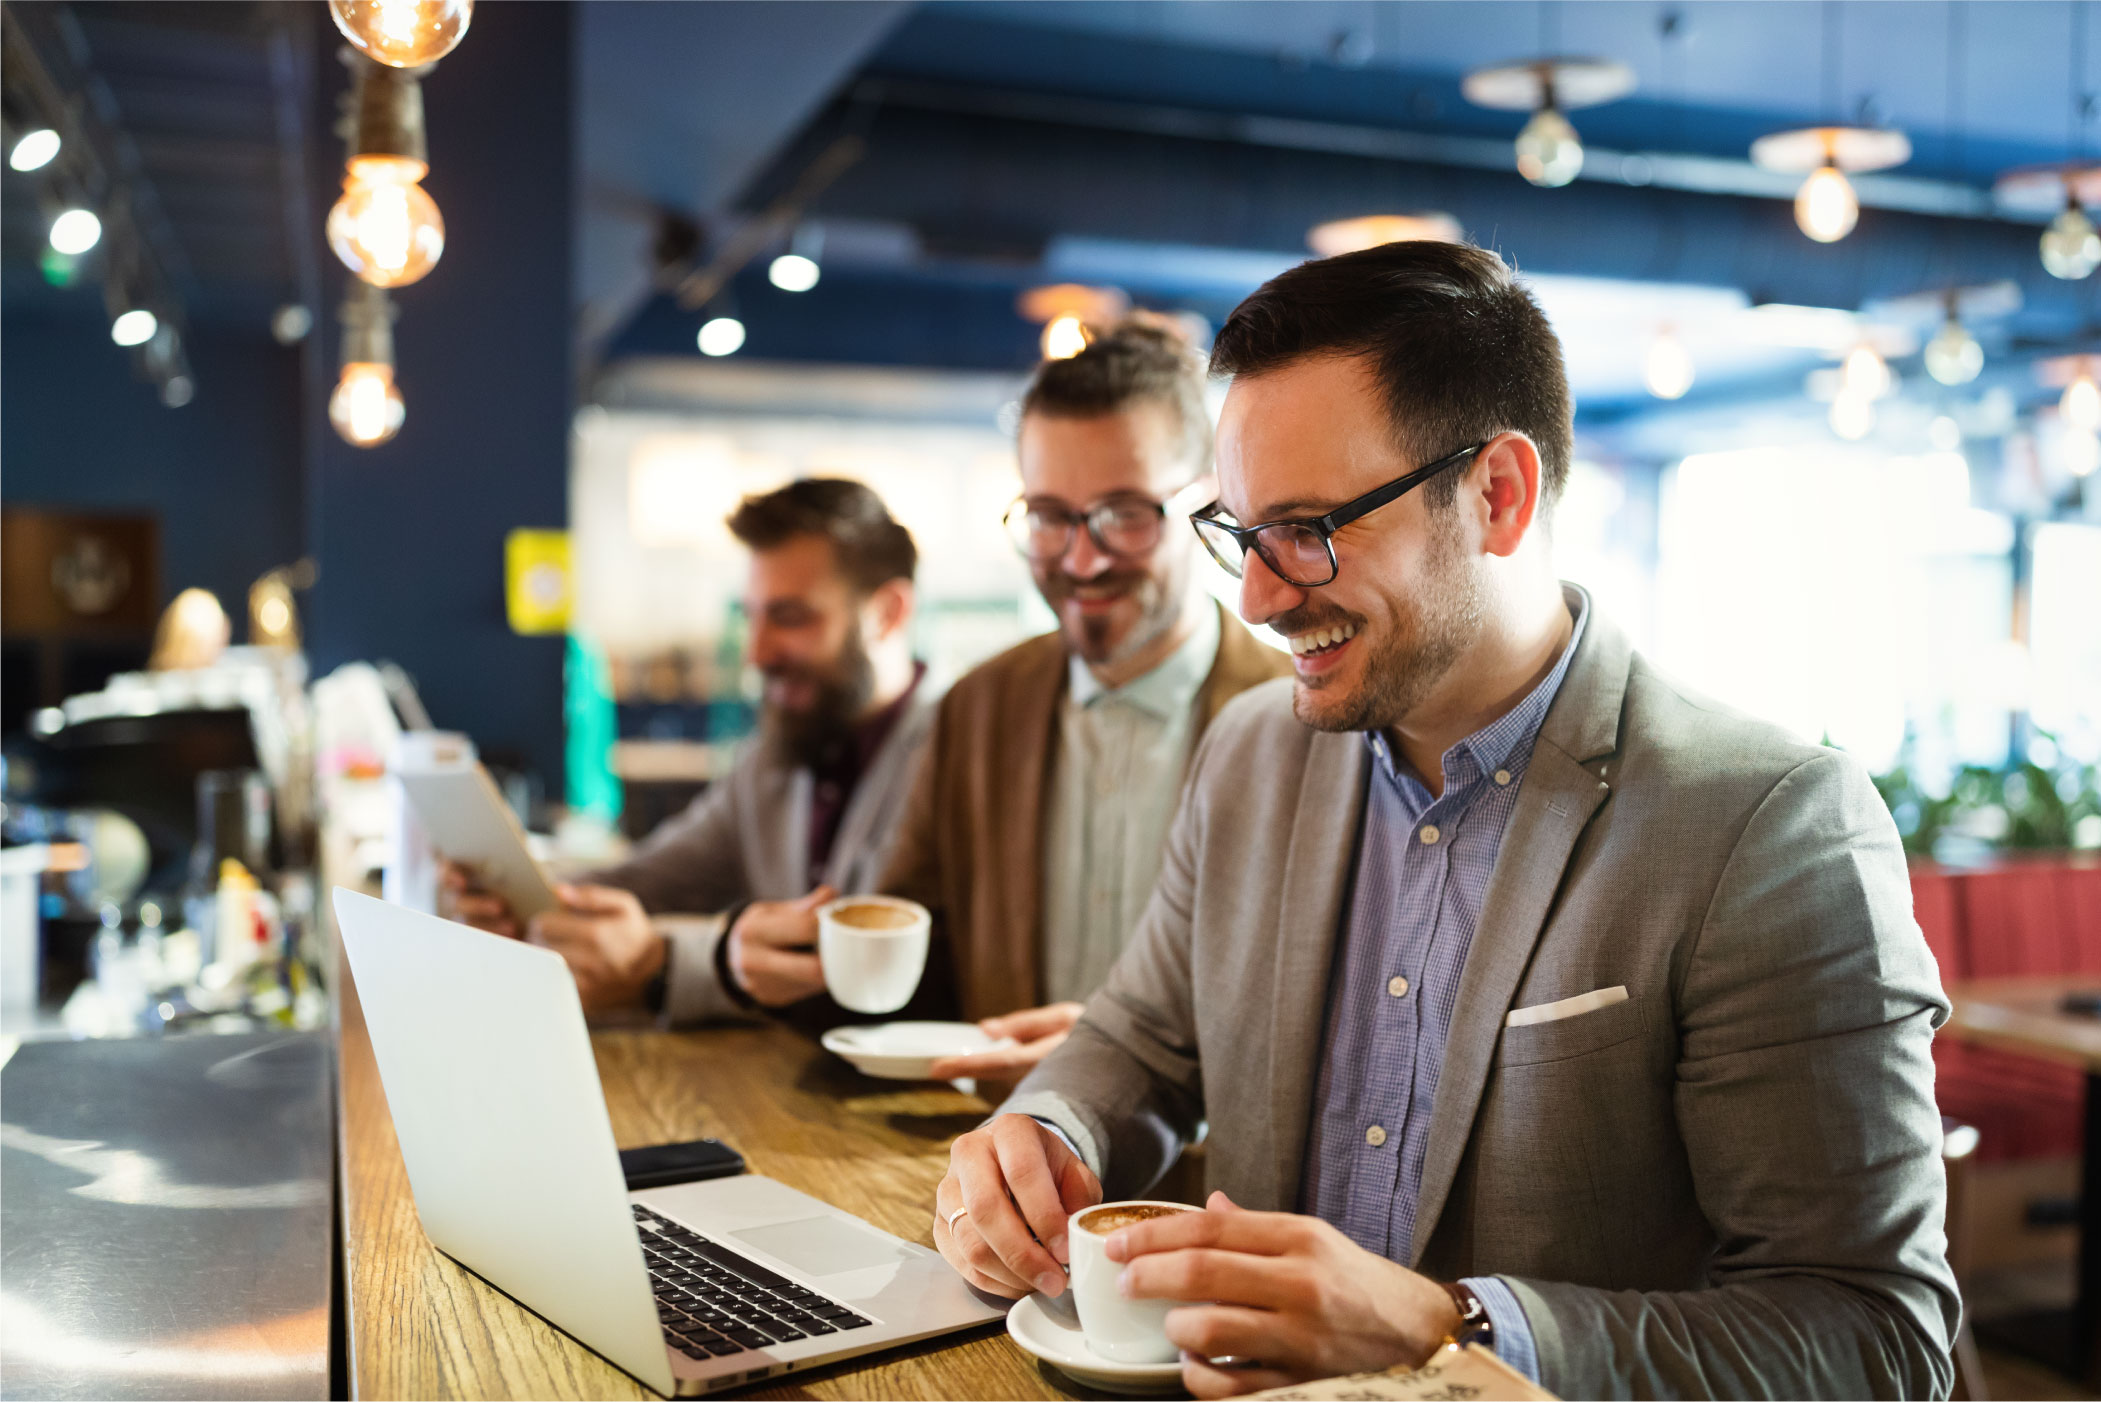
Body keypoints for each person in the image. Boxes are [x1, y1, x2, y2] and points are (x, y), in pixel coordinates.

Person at [930, 243, 1958, 1400]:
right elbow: (1138, 1039)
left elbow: (1872, 1335)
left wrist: (1448, 1327)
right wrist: (1047, 1131)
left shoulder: (1768, 825)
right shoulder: (1250, 757)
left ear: (1498, 496)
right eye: (1240, 529)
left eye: (1310, 527)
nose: (1260, 598)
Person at [727, 318, 1289, 1076]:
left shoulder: (1298, 720)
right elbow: (915, 959)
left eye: (1124, 515)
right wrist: (773, 962)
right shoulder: (981, 708)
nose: (1081, 560)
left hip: (1216, 1186)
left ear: (1208, 499)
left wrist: (1133, 1058)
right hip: (1004, 1167)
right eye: (1051, 518)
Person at [442, 477, 935, 1022]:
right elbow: (655, 876)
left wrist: (666, 956)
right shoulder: (777, 756)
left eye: (791, 617)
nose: (756, 651)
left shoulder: (956, 752)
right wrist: (515, 898)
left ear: (889, 612)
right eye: (753, 615)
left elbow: (853, 966)